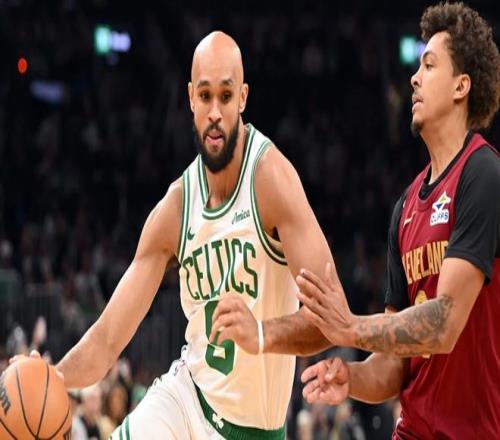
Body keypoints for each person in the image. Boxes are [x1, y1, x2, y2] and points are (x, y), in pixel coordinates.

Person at [13, 31, 335, 439]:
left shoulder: (271, 179)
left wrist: (261, 333)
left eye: (225, 96)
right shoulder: (176, 208)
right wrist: (52, 379)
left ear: (243, 98)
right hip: (183, 400)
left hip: (252, 430)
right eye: (205, 96)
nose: (214, 111)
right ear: (190, 99)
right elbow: (108, 339)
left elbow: (331, 319)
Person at [297, 2, 500, 439]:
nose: (414, 78)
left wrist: (352, 327)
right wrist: (352, 378)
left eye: (429, 65)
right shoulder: (406, 206)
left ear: (462, 85)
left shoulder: (483, 174)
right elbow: (394, 367)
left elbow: (443, 323)